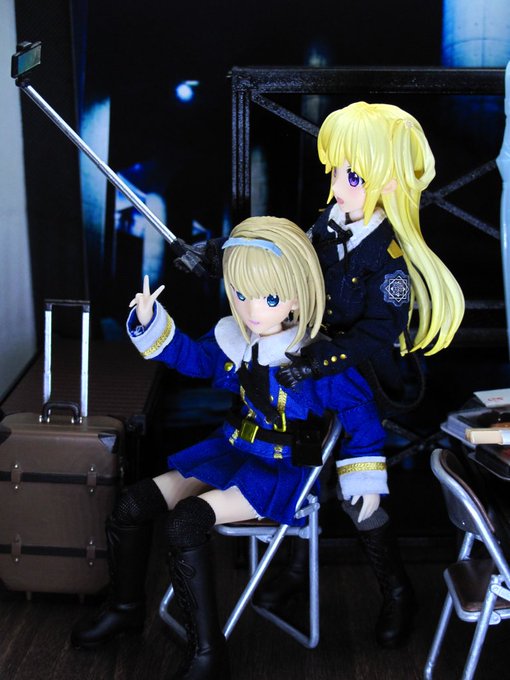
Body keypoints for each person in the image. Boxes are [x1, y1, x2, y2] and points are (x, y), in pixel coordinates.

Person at [174, 102, 465, 648]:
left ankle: (396, 591)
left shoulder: (389, 259)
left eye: (354, 175)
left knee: (359, 496)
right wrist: (214, 258)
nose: (339, 184)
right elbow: (283, 263)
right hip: (303, 369)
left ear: (388, 180)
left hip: (360, 379)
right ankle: (291, 570)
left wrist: (316, 362)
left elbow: (375, 335)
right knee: (295, 462)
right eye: (336, 171)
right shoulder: (325, 228)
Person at [71, 216, 388, 680]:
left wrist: (365, 482)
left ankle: (207, 654)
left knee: (185, 524)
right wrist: (151, 323)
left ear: (297, 296)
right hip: (230, 451)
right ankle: (124, 609)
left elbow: (361, 417)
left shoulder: (317, 359)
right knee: (132, 504)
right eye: (241, 294)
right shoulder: (236, 340)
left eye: (269, 298)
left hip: (280, 472)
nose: (252, 309)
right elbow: (193, 359)